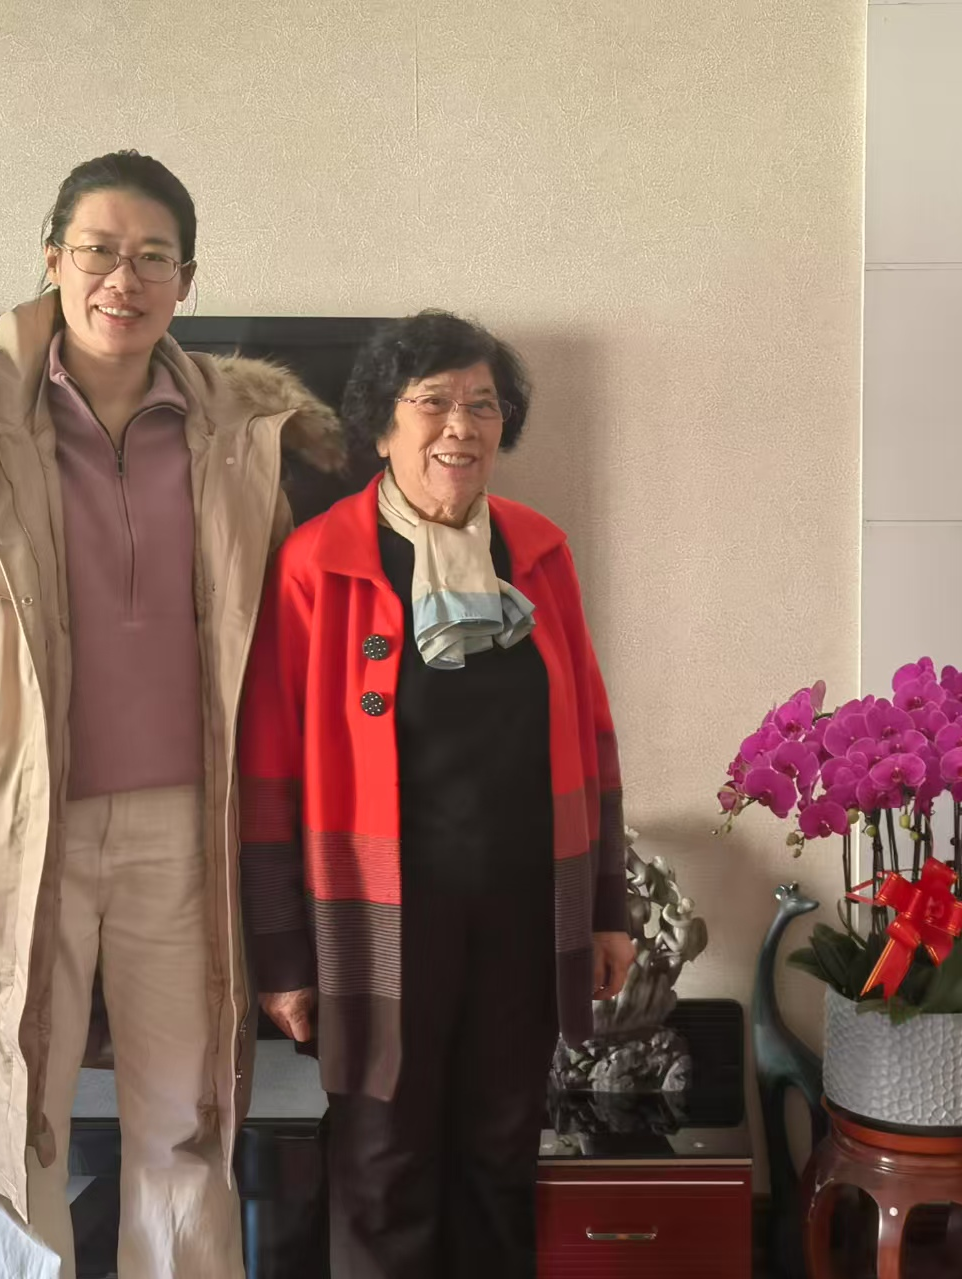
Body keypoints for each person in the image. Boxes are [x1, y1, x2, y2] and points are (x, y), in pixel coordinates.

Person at [0, 150, 345, 1279]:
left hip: (189, 832)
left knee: (189, 1121)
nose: (125, 278)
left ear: (187, 280)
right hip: (6, 830)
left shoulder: (242, 433)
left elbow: (286, 649)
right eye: (99, 250)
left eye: (154, 256)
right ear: (53, 259)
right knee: (6, 1120)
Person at [238, 310, 636, 1279]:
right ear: (382, 425)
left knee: (501, 1159)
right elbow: (267, 771)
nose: (461, 425)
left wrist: (606, 910)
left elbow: (590, 738)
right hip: (380, 919)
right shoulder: (317, 563)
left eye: (483, 405)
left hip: (519, 911)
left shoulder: (537, 550)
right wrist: (282, 954)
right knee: (384, 1163)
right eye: (433, 402)